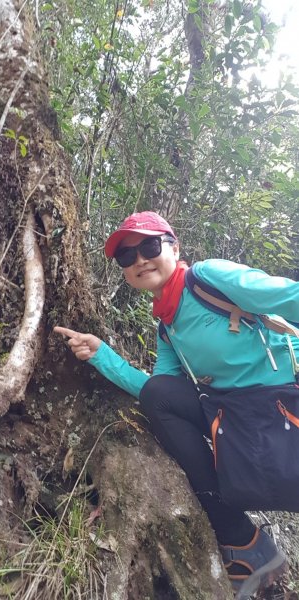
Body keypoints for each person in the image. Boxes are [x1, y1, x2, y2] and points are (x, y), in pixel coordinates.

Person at [54, 211, 299, 600]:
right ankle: (243, 542)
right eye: (126, 257)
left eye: (149, 246)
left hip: (278, 405)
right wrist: (102, 354)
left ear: (174, 247)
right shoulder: (168, 327)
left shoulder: (210, 279)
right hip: (235, 418)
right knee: (159, 397)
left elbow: (290, 298)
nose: (139, 260)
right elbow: (157, 390)